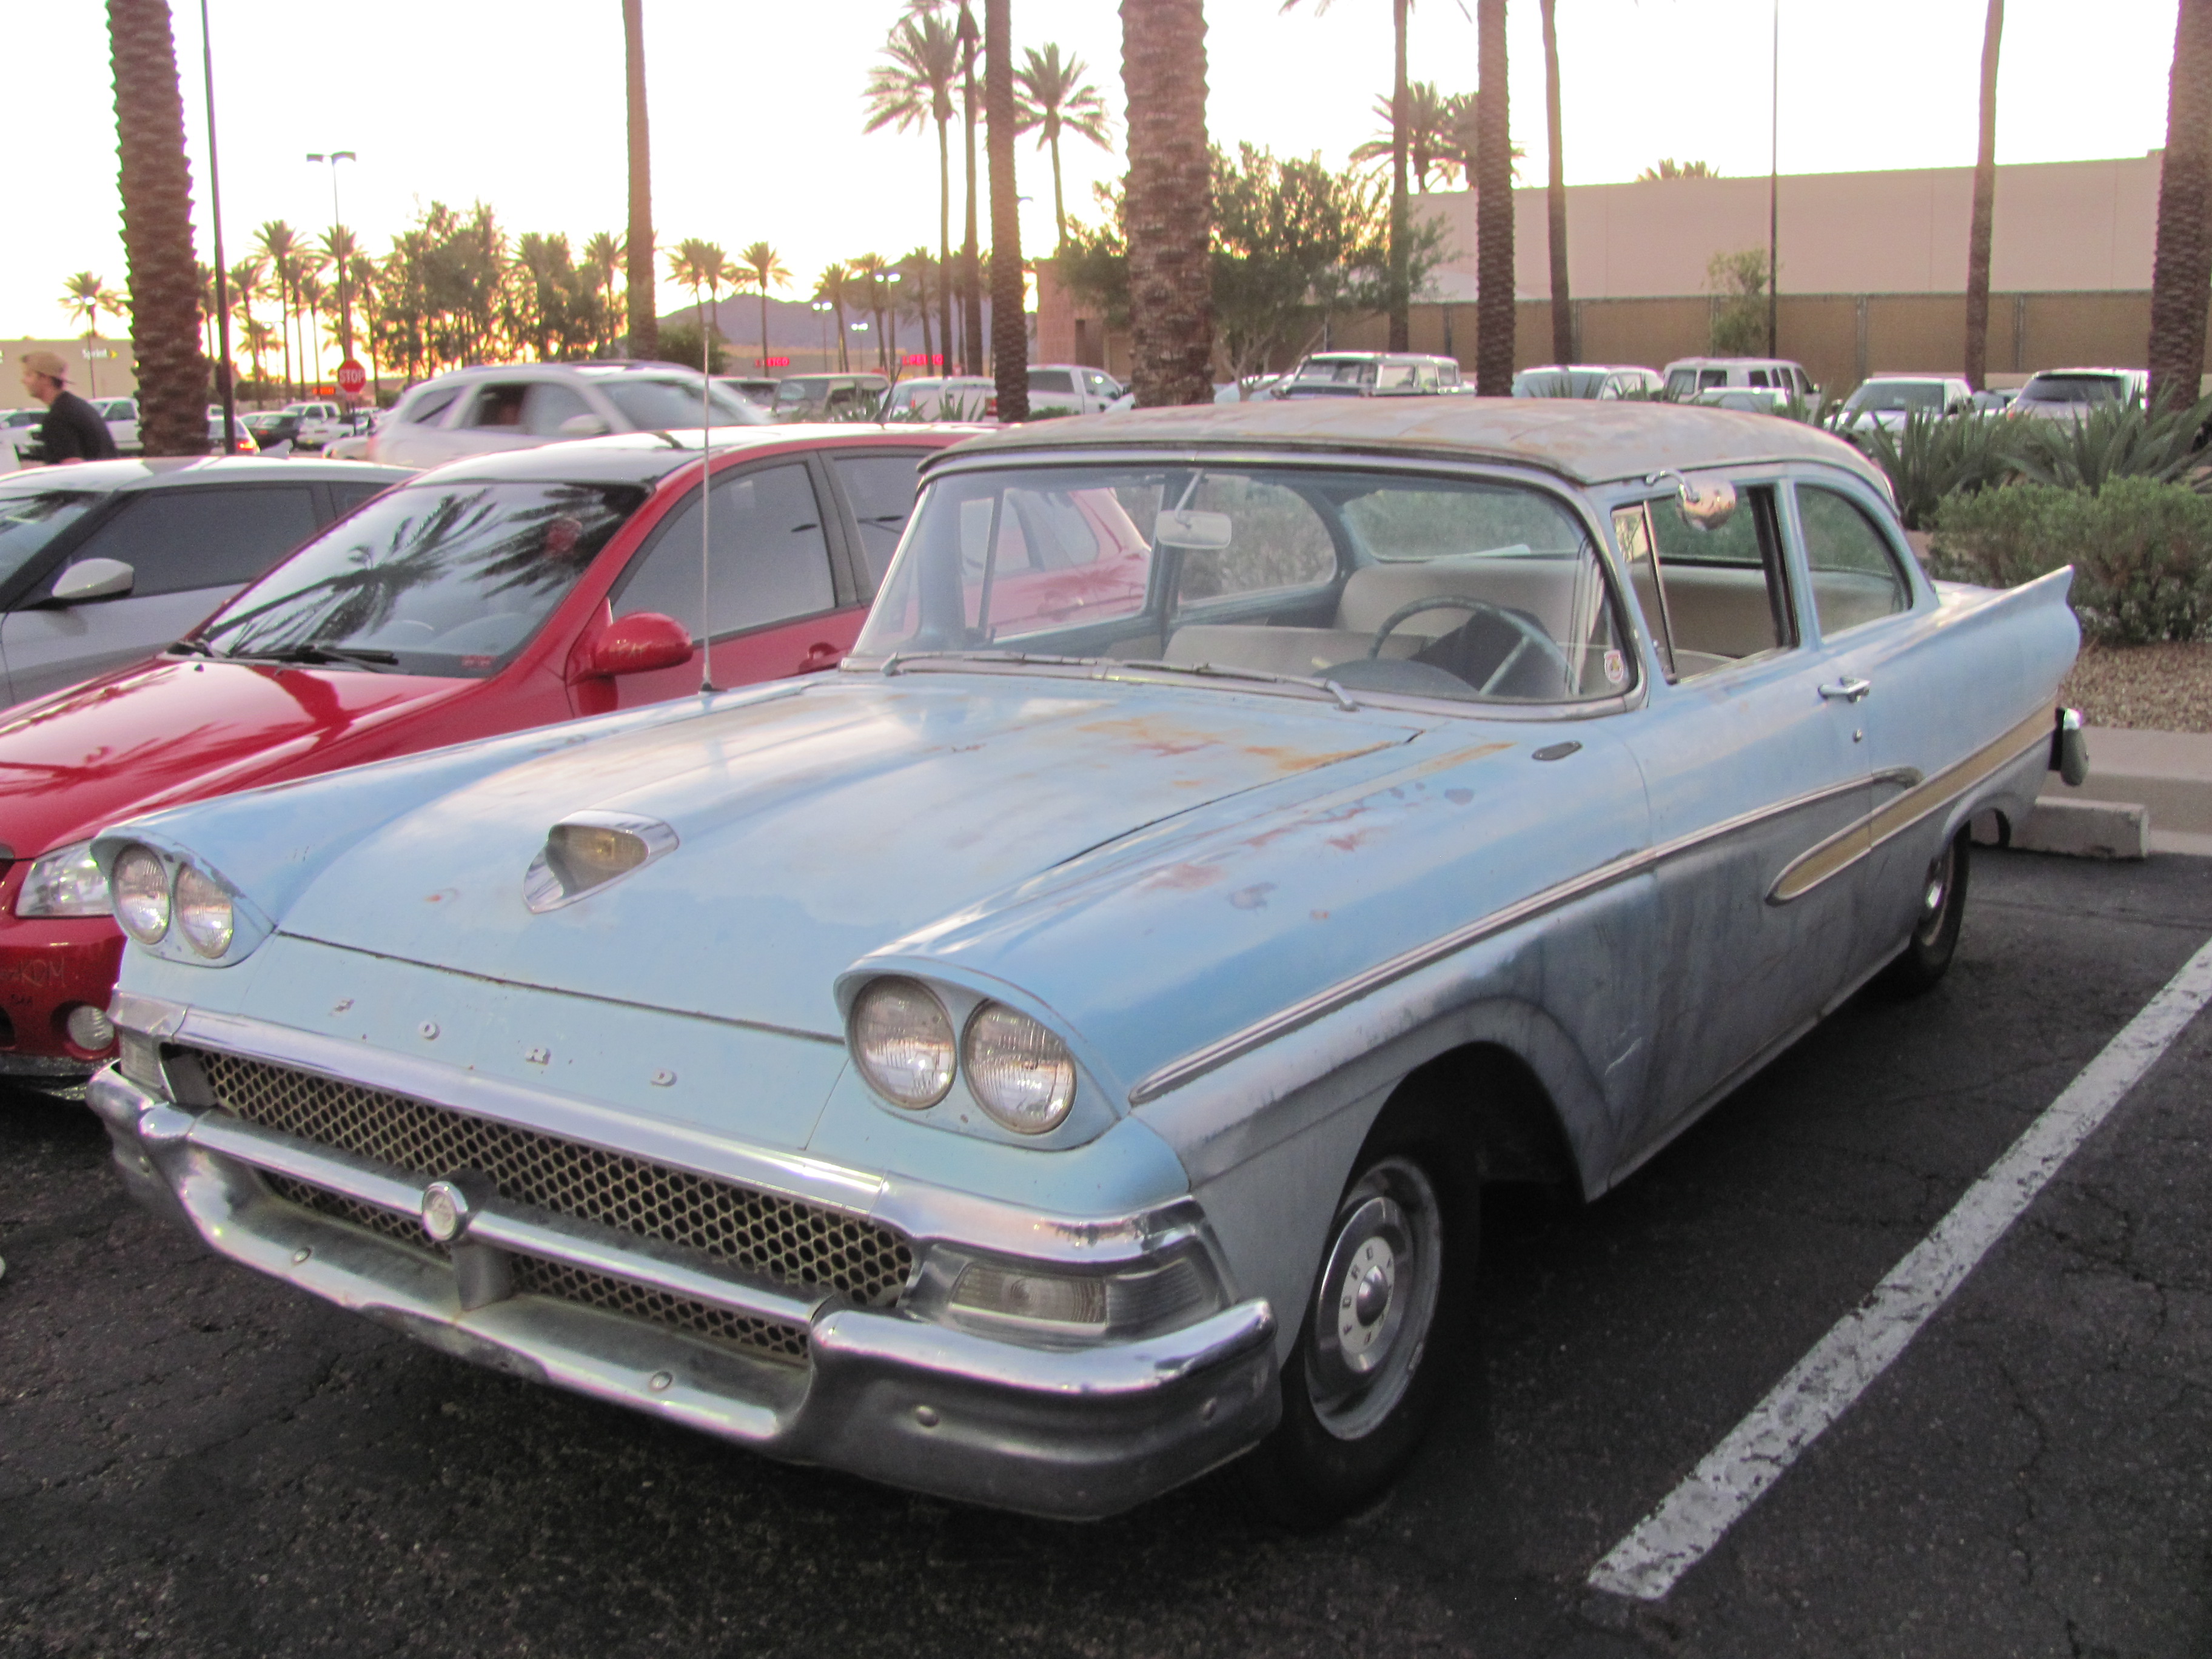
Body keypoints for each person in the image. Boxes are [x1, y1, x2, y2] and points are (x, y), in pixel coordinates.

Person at [17, 350, 118, 464]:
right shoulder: (79, 407)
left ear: (45, 379)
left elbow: (71, 469)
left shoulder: (58, 418)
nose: (23, 381)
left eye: (29, 375)